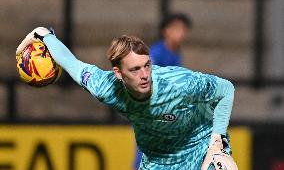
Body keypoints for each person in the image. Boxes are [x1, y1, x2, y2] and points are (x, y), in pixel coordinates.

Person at [16, 27, 238, 170]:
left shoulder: (180, 83)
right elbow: (71, 64)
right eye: (134, 70)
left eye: (146, 66)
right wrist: (44, 35)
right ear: (118, 74)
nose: (144, 75)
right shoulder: (106, 87)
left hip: (201, 144)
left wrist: (217, 144)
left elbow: (226, 89)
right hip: (159, 160)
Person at [134, 13, 191, 169]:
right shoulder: (157, 52)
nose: (181, 33)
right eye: (177, 29)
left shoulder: (176, 53)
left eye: (183, 29)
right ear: (166, 31)